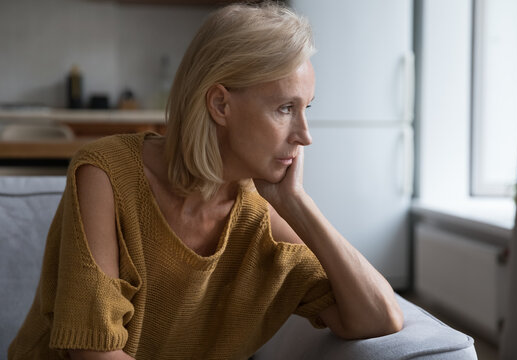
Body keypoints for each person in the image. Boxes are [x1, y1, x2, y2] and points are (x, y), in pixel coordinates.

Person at [8, 2, 403, 359]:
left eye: (307, 109)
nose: (305, 134)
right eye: (285, 108)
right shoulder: (106, 173)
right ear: (220, 104)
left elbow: (380, 319)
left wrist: (298, 203)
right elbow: (94, 355)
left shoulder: (265, 221)